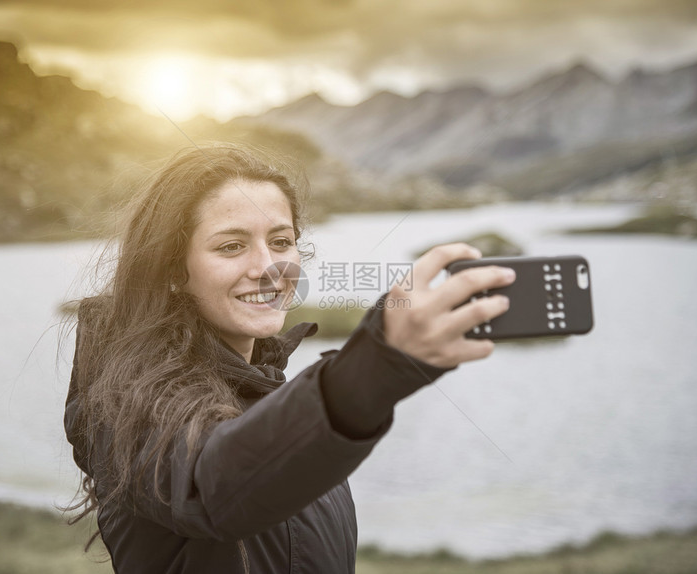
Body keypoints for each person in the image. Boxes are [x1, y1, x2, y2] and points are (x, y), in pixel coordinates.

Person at [64, 143, 515, 573]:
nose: (269, 267)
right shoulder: (125, 402)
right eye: (231, 246)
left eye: (280, 242)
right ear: (172, 271)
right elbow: (211, 484)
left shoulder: (265, 393)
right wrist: (375, 367)